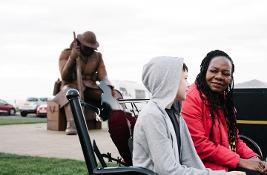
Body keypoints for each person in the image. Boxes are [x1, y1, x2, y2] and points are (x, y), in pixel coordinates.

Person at [132, 56, 244, 175]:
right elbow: (167, 171)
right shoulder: (152, 116)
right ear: (170, 82)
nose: (188, 84)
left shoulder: (175, 115)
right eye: (185, 78)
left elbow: (190, 160)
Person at [181, 50, 267, 175]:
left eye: (226, 73)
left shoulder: (224, 100)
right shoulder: (190, 99)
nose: (219, 76)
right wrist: (240, 161)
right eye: (214, 71)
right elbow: (199, 145)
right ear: (204, 71)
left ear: (231, 78)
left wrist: (252, 158)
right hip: (204, 168)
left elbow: (234, 140)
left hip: (226, 163)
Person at [54, 31, 111, 135]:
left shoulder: (97, 57)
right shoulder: (66, 53)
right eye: (87, 47)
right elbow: (64, 76)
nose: (90, 50)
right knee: (70, 93)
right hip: (70, 85)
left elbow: (103, 75)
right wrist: (72, 58)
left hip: (90, 87)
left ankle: (111, 118)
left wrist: (109, 88)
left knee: (110, 95)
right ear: (80, 44)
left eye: (92, 48)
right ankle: (71, 123)